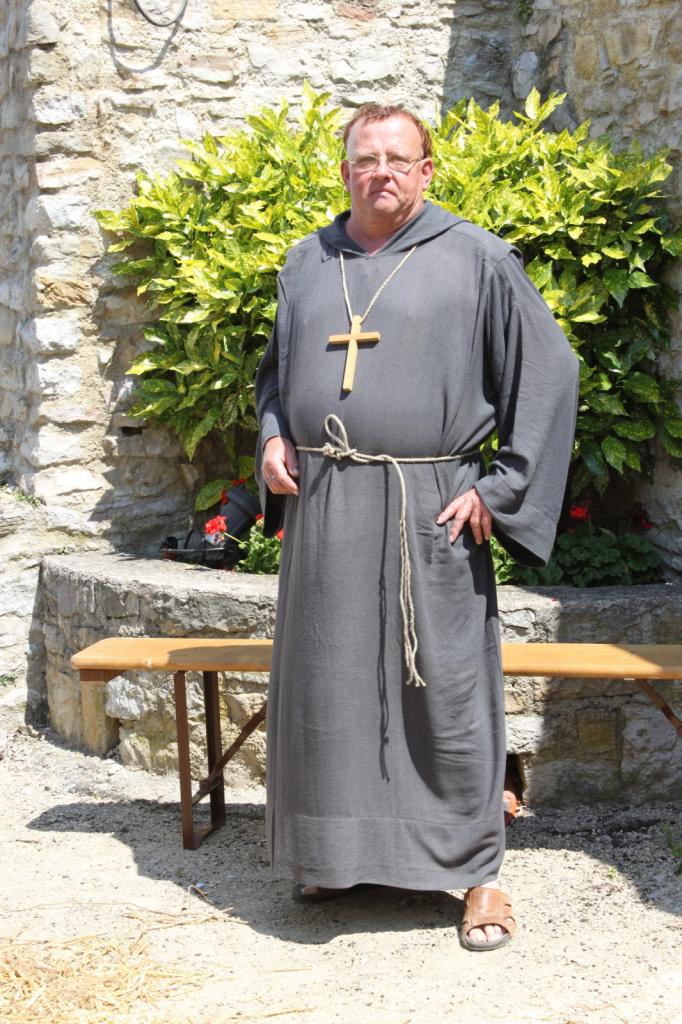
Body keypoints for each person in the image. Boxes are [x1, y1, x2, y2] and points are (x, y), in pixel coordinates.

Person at [254, 102, 579, 951]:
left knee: (446, 691)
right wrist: (272, 437)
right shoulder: (307, 263)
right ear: (344, 172)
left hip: (431, 504)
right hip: (327, 502)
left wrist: (504, 488)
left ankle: (480, 876)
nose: (382, 173)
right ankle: (334, 855)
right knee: (330, 686)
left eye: (399, 159)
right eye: (366, 159)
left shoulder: (476, 258)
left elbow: (549, 372)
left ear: (426, 170)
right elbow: (274, 377)